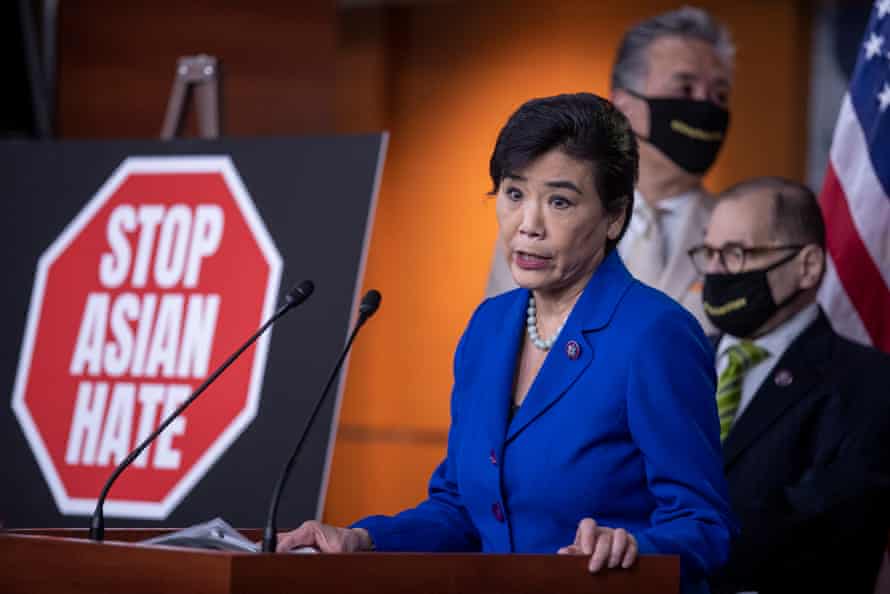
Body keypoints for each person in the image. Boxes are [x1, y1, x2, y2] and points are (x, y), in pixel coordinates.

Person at [278, 93, 735, 593]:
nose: (528, 225)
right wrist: (364, 538)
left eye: (559, 201)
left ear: (614, 216)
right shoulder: (489, 328)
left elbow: (704, 527)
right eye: (514, 195)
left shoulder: (655, 335)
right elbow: (459, 510)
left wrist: (636, 547)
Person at [688, 177, 890, 594]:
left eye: (736, 254)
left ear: (807, 266)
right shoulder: (677, 361)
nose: (715, 272)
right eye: (708, 253)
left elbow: (830, 522)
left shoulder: (870, 383)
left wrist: (675, 538)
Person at [486, 7, 734, 335]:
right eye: (685, 89)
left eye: (719, 95)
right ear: (624, 105)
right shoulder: (534, 231)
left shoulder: (738, 237)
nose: (706, 109)